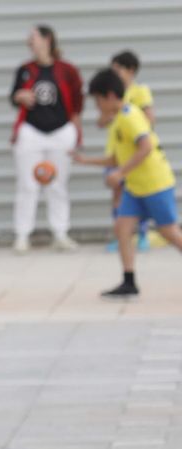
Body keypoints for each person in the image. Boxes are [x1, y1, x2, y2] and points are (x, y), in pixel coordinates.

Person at [73, 68, 182, 298]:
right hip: (135, 188)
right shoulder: (119, 120)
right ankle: (129, 281)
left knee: (169, 233)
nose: (98, 107)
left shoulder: (130, 115)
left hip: (155, 184)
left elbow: (146, 146)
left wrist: (120, 173)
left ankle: (129, 279)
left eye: (98, 101)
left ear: (111, 96)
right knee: (122, 227)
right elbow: (116, 158)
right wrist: (85, 161)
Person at [10, 24, 82, 254]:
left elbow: (77, 103)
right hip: (31, 131)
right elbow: (14, 97)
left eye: (33, 37)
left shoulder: (67, 70)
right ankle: (22, 235)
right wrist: (20, 96)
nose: (29, 41)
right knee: (27, 185)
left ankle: (60, 233)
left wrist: (77, 132)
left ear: (47, 39)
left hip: (61, 131)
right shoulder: (25, 70)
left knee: (57, 184)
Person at [109, 51, 156, 253]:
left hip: (134, 152)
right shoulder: (113, 93)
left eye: (118, 68)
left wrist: (135, 129)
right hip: (116, 150)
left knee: (138, 194)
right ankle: (121, 236)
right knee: (118, 195)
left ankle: (142, 234)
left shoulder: (139, 91)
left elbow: (149, 118)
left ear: (131, 70)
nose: (115, 73)